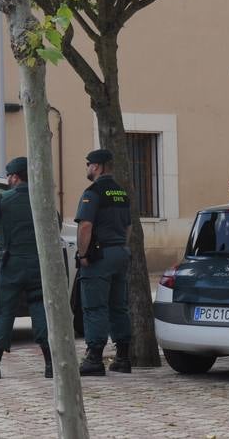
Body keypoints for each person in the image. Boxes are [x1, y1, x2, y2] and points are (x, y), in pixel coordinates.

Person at [0, 156, 51, 379]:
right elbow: (53, 227)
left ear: (15, 177)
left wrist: (3, 238)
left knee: (4, 312)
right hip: (39, 264)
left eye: (9, 175)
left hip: (11, 264)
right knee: (41, 310)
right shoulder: (44, 200)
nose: (8, 179)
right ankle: (51, 365)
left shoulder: (2, 200)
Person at [74, 148, 132, 377]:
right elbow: (128, 226)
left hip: (100, 256)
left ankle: (94, 358)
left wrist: (82, 254)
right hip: (120, 253)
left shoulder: (93, 192)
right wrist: (122, 248)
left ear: (96, 166)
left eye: (88, 164)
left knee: (95, 307)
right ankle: (123, 358)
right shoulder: (121, 193)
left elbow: (85, 226)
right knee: (119, 307)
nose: (87, 168)